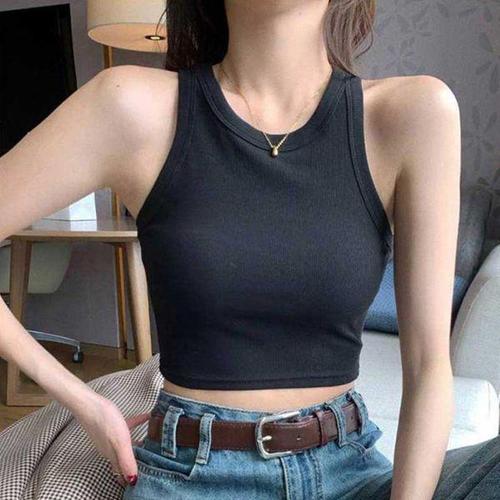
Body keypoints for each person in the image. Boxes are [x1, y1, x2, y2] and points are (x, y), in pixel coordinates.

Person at [0, 1, 498, 499]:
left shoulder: (414, 112)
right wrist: (85, 402)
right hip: (194, 479)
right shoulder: (130, 106)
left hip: (353, 471)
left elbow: (429, 366)